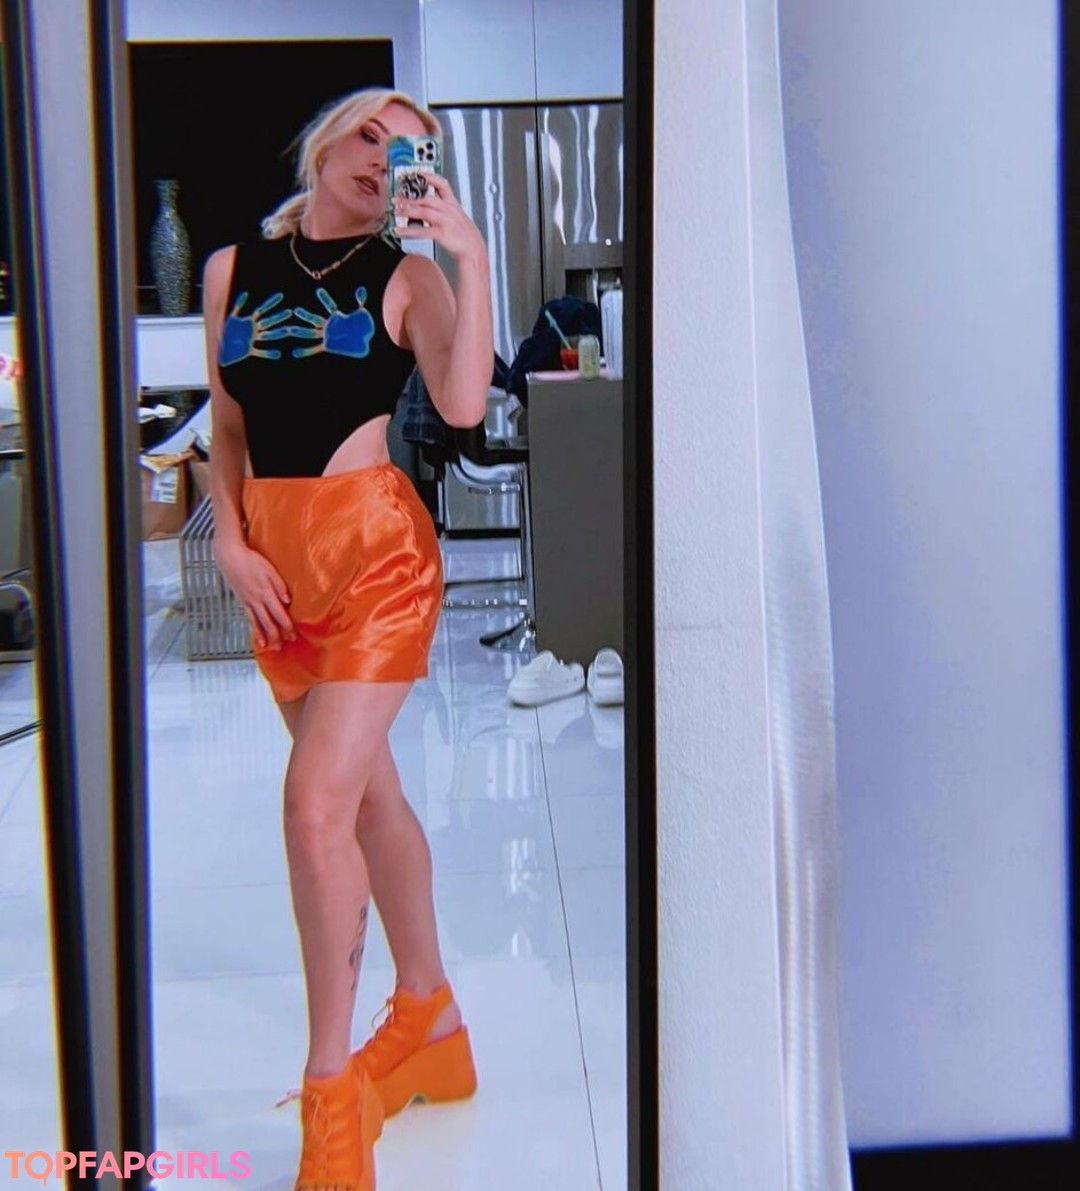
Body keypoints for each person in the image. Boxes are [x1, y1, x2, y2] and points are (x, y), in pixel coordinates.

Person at [201, 87, 493, 1191]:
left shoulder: (410, 276)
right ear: (324, 144)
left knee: (314, 803)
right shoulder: (232, 270)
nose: (383, 155)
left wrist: (468, 254)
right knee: (368, 800)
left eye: (409, 146)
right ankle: (431, 1016)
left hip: (374, 554)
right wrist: (231, 543)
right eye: (369, 132)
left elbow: (462, 408)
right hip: (276, 566)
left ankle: (332, 1090)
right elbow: (229, 424)